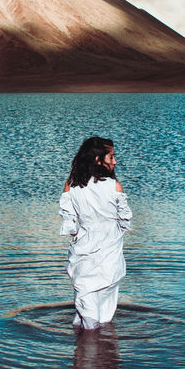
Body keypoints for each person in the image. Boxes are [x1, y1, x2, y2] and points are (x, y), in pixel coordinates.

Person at [59, 136, 132, 330]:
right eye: (112, 156)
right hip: (110, 252)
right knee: (104, 305)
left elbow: (70, 225)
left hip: (84, 250)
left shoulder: (71, 185)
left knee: (85, 302)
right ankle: (101, 350)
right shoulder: (114, 187)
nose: (115, 161)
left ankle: (86, 348)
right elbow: (124, 222)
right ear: (98, 160)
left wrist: (81, 235)